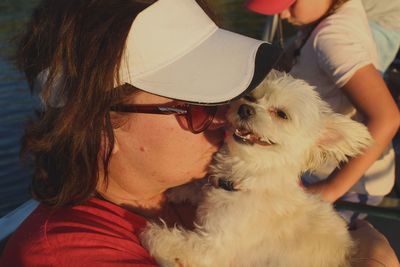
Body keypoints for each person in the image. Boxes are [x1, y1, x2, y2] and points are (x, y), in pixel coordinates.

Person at [0, 0, 398, 266]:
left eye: (229, 93)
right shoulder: (69, 252)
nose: (227, 118)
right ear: (98, 125)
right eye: (195, 106)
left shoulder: (227, 175)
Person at [246, 0, 400, 213]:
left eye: (291, 4)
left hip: (350, 185)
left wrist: (330, 190)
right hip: (324, 172)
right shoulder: (329, 16)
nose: (282, 15)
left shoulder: (334, 38)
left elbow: (387, 118)